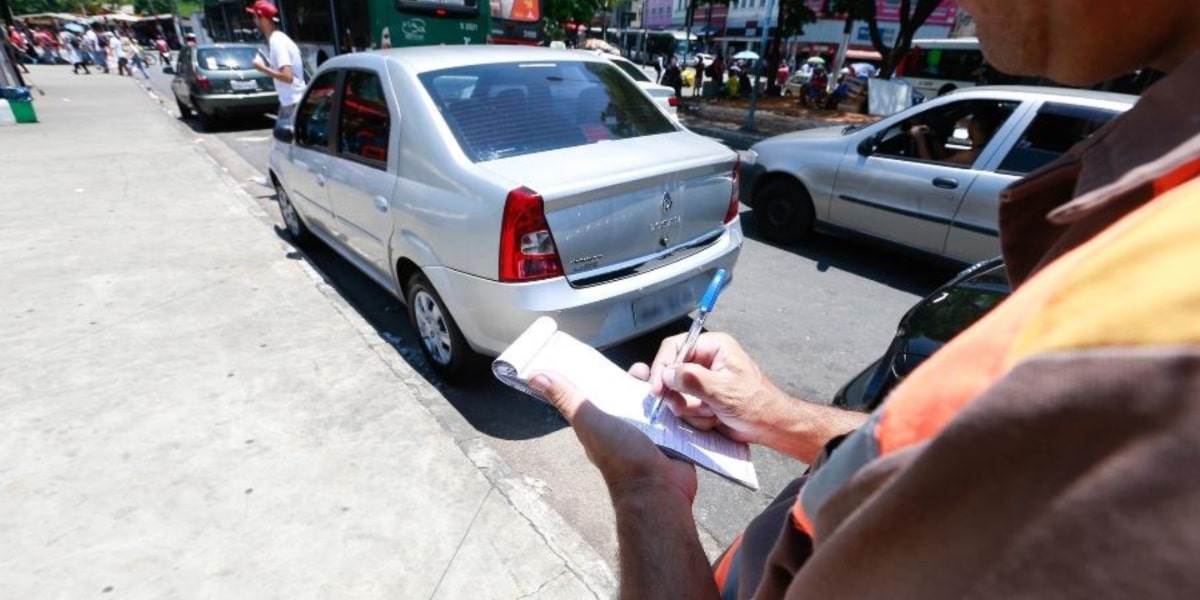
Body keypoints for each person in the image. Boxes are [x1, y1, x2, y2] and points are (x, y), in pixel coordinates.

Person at [530, 0, 1200, 597]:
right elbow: (935, 465)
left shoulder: (1158, 322)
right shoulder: (1156, 211)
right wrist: (774, 415)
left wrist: (646, 491)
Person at [247, 0, 306, 125]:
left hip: (292, 103)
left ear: (263, 19)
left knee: (284, 140)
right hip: (291, 101)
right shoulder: (277, 39)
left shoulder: (277, 42)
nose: (254, 21)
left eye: (255, 17)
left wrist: (262, 68)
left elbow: (287, 76)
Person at [910, 109, 1004, 166]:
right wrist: (934, 138)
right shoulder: (984, 151)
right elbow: (947, 161)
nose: (968, 124)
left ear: (977, 126)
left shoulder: (971, 156)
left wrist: (920, 140)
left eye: (972, 121)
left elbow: (930, 167)